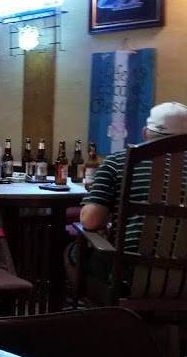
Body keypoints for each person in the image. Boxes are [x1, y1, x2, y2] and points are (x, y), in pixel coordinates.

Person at [78, 101, 187, 263]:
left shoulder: (118, 162)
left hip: (127, 267)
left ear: (145, 133)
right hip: (182, 272)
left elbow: (91, 220)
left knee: (72, 254)